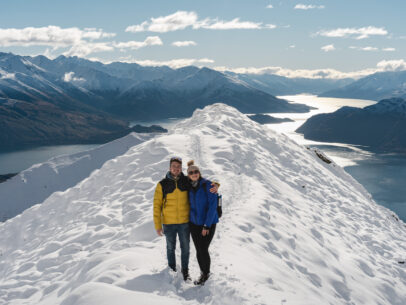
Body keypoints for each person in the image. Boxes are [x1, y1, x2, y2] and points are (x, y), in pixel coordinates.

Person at [153, 156, 218, 281]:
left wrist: (216, 186)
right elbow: (157, 206)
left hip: (184, 222)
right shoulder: (162, 184)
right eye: (174, 166)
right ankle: (172, 270)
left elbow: (202, 183)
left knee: (186, 248)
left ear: (181, 168)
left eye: (178, 167)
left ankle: (185, 272)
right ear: (169, 168)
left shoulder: (185, 181)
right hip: (169, 222)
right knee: (170, 248)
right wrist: (157, 225)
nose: (176, 169)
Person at [187, 160, 219, 285]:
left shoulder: (209, 185)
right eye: (191, 172)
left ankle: (206, 274)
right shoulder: (187, 186)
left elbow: (212, 207)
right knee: (198, 250)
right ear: (188, 175)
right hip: (194, 223)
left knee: (203, 248)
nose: (194, 174)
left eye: (196, 172)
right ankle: (203, 273)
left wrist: (207, 225)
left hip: (208, 223)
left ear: (199, 173)